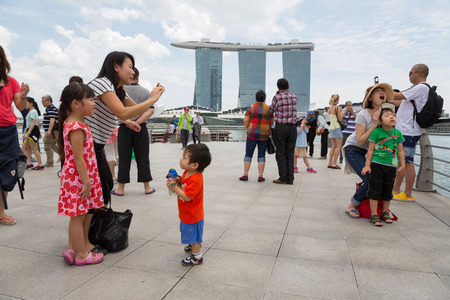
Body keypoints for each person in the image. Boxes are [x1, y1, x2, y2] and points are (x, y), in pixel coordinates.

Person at [84, 51, 164, 253]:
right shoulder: (103, 84)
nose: (132, 71)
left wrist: (150, 102)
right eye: (129, 66)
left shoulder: (118, 89)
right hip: (86, 145)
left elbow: (135, 109)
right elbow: (121, 112)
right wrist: (151, 98)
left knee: (104, 185)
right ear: (116, 66)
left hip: (97, 145)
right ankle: (87, 239)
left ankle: (93, 234)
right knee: (100, 188)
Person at [57, 83, 105, 266]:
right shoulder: (76, 127)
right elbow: (78, 158)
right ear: (76, 104)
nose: (94, 103)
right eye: (91, 99)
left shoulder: (72, 121)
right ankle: (82, 255)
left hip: (76, 176)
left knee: (78, 215)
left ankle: (72, 249)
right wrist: (86, 182)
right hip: (78, 178)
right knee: (78, 217)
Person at [342, 83, 393, 218]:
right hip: (353, 149)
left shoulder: (386, 114)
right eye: (378, 91)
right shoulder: (363, 114)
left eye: (384, 91)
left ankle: (377, 209)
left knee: (378, 179)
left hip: (369, 152)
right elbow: (360, 140)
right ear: (370, 98)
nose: (382, 93)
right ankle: (351, 206)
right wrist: (375, 124)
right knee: (370, 179)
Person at [166, 143, 211, 266]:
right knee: (188, 232)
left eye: (184, 158)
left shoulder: (196, 179)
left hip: (193, 215)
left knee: (194, 236)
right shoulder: (187, 172)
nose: (181, 159)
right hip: (186, 212)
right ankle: (192, 245)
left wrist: (174, 187)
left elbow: (187, 196)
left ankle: (197, 256)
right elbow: (184, 187)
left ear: (195, 165)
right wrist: (178, 182)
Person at [112, 67, 155, 196]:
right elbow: (150, 110)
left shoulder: (119, 91)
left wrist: (129, 122)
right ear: (138, 77)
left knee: (123, 157)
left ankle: (121, 188)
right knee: (143, 157)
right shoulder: (146, 92)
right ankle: (147, 187)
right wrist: (138, 122)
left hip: (124, 128)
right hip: (141, 128)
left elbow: (116, 112)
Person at [361, 102, 405, 226]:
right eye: (387, 115)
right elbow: (370, 150)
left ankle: (385, 213)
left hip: (391, 166)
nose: (391, 117)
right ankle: (374, 214)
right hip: (377, 165)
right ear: (380, 121)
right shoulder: (376, 132)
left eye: (393, 115)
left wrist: (402, 164)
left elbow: (400, 150)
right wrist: (367, 165)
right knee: (375, 189)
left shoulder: (398, 133)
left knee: (388, 190)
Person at [391, 64, 430, 202]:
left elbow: (397, 95)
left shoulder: (420, 87)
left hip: (409, 131)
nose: (409, 75)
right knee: (403, 161)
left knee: (407, 162)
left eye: (410, 72)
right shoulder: (418, 89)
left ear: (419, 73)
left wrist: (381, 89)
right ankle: (396, 189)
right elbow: (399, 102)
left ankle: (407, 193)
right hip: (407, 130)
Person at [0, 45, 30, 226]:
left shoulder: (11, 82)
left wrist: (24, 95)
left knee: (7, 171)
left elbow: (20, 106)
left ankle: (1, 211)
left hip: (8, 131)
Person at [239, 90, 273, 182]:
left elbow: (245, 121)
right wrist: (267, 128)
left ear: (256, 98)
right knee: (261, 154)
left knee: (248, 154)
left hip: (252, 134)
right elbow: (272, 122)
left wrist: (248, 128)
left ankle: (245, 174)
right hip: (264, 135)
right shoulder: (269, 109)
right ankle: (260, 176)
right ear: (265, 98)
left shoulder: (251, 108)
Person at [269, 78, 298, 185]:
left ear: (278, 87)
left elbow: (271, 111)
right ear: (288, 87)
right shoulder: (294, 97)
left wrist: (276, 96)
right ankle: (290, 178)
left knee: (281, 153)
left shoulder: (276, 97)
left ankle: (283, 177)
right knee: (290, 153)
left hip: (281, 127)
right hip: (292, 128)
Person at [22, 97, 44, 170]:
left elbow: (33, 123)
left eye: (26, 103)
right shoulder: (32, 111)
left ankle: (40, 165)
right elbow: (36, 123)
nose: (25, 104)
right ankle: (29, 163)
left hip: (31, 131)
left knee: (34, 149)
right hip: (30, 130)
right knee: (26, 148)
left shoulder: (32, 112)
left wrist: (28, 133)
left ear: (31, 103)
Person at [41, 94, 58, 167]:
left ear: (48, 101)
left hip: (51, 131)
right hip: (53, 131)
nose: (42, 103)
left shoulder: (50, 108)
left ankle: (49, 162)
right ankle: (64, 156)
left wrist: (49, 130)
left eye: (43, 101)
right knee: (53, 146)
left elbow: (52, 120)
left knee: (47, 145)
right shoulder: (51, 108)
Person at [327, 94, 343, 169]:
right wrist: (344, 112)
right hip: (337, 127)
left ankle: (330, 162)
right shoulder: (338, 108)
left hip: (331, 128)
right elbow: (340, 119)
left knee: (333, 146)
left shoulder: (329, 109)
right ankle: (334, 163)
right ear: (337, 100)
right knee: (338, 146)